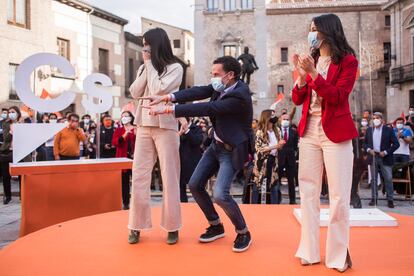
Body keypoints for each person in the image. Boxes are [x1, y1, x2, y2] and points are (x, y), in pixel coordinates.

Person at [141, 56, 254, 253]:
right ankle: (215, 224)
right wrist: (167, 97)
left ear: (230, 75)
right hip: (215, 147)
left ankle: (243, 231)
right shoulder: (221, 87)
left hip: (232, 150)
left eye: (216, 75)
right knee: (194, 185)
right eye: (212, 74)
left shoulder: (240, 95)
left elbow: (208, 107)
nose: (213, 79)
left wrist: (168, 109)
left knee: (220, 194)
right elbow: (199, 91)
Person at [291, 14, 359, 272]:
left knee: (339, 196)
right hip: (309, 132)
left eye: (315, 29)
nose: (312, 34)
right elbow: (298, 100)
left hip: (336, 133)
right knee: (308, 193)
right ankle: (309, 251)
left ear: (328, 32)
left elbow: (338, 96)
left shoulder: (348, 62)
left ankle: (338, 256)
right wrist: (300, 76)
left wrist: (312, 74)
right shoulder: (313, 60)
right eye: (310, 29)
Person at [127, 27, 187, 245]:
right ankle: (136, 225)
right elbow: (134, 92)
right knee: (139, 176)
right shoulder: (145, 66)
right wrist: (145, 67)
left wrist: (150, 65)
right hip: (143, 124)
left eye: (146, 44)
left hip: (166, 126)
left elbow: (158, 90)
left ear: (155, 44)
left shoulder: (175, 68)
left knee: (170, 177)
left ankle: (172, 226)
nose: (144, 48)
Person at [365, 112, 400, 208]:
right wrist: (369, 150)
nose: (375, 120)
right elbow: (365, 143)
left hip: (385, 157)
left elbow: (396, 144)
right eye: (373, 118)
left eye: (377, 118)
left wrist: (386, 152)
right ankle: (374, 198)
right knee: (374, 179)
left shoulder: (388, 130)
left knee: (388, 178)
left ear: (381, 120)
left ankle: (390, 200)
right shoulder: (369, 130)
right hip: (373, 156)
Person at [253, 110, 285, 204]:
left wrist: (281, 145)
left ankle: (274, 207)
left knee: (274, 184)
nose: (274, 118)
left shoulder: (277, 131)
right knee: (258, 184)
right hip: (262, 162)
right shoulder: (260, 132)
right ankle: (254, 206)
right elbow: (259, 149)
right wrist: (276, 146)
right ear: (267, 118)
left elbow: (279, 145)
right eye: (271, 117)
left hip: (274, 160)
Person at [112, 111, 136, 210]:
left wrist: (135, 132)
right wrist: (125, 134)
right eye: (122, 116)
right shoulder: (119, 130)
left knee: (137, 181)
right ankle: (126, 203)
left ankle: (136, 202)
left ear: (131, 117)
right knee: (124, 182)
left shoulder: (136, 128)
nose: (124, 118)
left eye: (126, 116)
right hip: (122, 158)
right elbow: (116, 142)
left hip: (135, 158)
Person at [179, 118, 203, 202]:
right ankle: (183, 206)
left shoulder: (196, 128)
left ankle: (201, 205)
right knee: (180, 187)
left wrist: (187, 131)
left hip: (193, 163)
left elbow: (197, 141)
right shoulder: (176, 128)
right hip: (180, 163)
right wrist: (179, 134)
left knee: (195, 186)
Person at [0, 107, 21, 204]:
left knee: (21, 174)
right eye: (9, 112)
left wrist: (18, 125)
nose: (10, 114)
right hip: (7, 151)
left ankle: (22, 195)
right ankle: (7, 196)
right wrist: (13, 130)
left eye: (13, 112)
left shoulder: (22, 124)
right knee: (5, 175)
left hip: (20, 151)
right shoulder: (6, 124)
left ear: (18, 113)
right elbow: (6, 138)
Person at [277, 113, 299, 204]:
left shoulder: (294, 132)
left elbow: (294, 147)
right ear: (280, 120)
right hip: (279, 158)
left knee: (291, 180)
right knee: (277, 180)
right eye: (284, 119)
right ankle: (276, 199)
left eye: (287, 119)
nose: (285, 121)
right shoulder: (277, 131)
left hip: (290, 159)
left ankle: (292, 200)